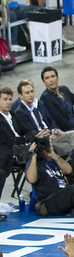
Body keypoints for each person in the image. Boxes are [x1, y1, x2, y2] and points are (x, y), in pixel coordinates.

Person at [26, 134, 74, 217]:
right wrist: (33, 156)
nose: (46, 147)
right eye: (43, 145)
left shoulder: (55, 159)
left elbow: (68, 170)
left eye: (48, 143)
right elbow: (31, 179)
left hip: (66, 194)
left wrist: (54, 155)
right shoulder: (34, 163)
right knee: (73, 190)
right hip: (49, 200)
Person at [13, 80, 74, 158]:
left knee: (72, 134)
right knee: (70, 146)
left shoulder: (39, 104)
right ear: (20, 96)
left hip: (51, 135)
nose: (31, 95)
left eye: (32, 91)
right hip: (41, 141)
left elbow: (50, 119)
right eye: (27, 93)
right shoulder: (19, 112)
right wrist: (44, 134)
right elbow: (29, 132)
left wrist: (54, 130)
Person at [0, 87, 24, 216]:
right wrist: (24, 139)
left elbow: (26, 131)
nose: (8, 102)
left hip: (19, 150)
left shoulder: (14, 115)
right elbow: (8, 140)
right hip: (7, 155)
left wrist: (35, 135)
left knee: (39, 155)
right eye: (5, 99)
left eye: (10, 99)